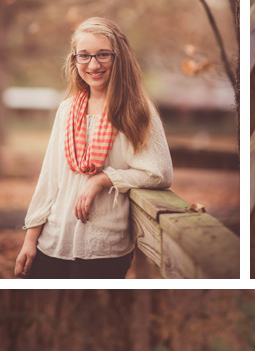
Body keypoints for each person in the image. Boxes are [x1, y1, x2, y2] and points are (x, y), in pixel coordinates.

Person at [15, 17, 172, 278]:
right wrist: (30, 240)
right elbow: (49, 179)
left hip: (103, 248)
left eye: (103, 55)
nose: (93, 65)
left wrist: (102, 179)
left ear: (118, 57)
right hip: (52, 241)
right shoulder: (67, 109)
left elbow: (159, 172)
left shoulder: (135, 110)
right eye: (84, 56)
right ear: (74, 60)